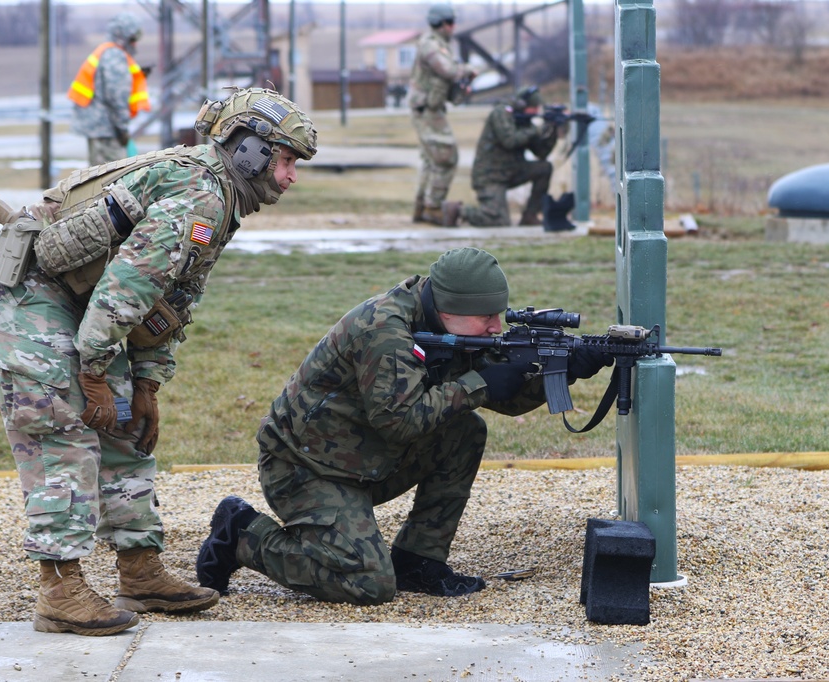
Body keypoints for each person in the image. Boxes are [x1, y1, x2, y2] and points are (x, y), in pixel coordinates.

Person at [0, 87, 318, 636]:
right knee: (61, 426)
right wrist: (91, 374)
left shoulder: (219, 197)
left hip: (88, 304)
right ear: (250, 151)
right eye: (285, 160)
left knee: (126, 428)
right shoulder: (200, 194)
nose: (291, 176)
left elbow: (168, 303)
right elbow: (126, 291)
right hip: (35, 293)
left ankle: (140, 570)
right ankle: (59, 589)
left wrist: (146, 386)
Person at [196, 247, 611, 605]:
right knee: (368, 583)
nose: (495, 327)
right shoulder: (386, 331)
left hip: (361, 458)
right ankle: (243, 534)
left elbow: (501, 398)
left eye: (497, 315)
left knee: (464, 431)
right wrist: (481, 383)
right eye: (486, 316)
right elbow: (399, 421)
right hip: (304, 470)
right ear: (451, 307)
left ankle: (419, 560)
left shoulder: (448, 325)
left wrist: (565, 370)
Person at [450, 86, 559, 228]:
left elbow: (541, 153)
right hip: (490, 177)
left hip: (512, 171)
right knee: (498, 221)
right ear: (522, 104)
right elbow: (510, 140)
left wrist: (552, 130)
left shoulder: (525, 122)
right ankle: (459, 211)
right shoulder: (501, 113)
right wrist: (534, 131)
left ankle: (530, 215)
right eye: (533, 108)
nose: (536, 112)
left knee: (544, 168)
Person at [408, 3, 476, 227]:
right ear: (442, 23)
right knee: (447, 158)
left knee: (431, 161)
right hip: (427, 110)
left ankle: (422, 207)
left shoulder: (441, 45)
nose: (453, 27)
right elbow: (447, 70)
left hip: (432, 108)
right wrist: (466, 70)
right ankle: (433, 207)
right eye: (450, 23)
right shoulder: (430, 45)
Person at [68, 12, 151, 165]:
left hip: (101, 127)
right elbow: (116, 97)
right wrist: (122, 129)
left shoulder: (107, 51)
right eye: (133, 39)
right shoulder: (115, 55)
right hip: (106, 130)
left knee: (101, 178)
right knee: (111, 179)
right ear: (126, 37)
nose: (135, 44)